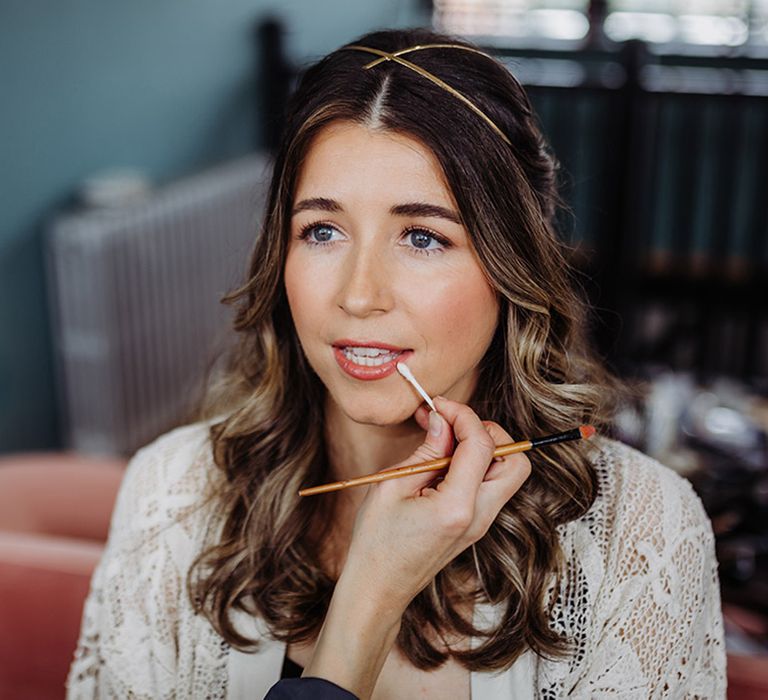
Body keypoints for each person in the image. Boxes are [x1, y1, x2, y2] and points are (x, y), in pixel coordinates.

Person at [66, 27, 726, 700]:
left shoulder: (641, 534)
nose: (357, 295)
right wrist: (368, 599)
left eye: (422, 237)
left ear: (511, 264)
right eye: (322, 231)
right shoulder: (170, 494)